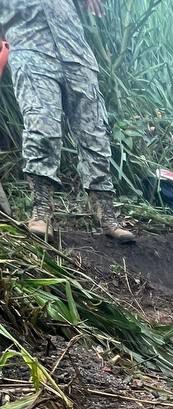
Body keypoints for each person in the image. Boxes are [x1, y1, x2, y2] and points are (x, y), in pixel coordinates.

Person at [0, 0, 134, 242]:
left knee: (95, 135)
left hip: (76, 56)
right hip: (31, 51)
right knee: (42, 128)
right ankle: (41, 213)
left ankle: (107, 216)